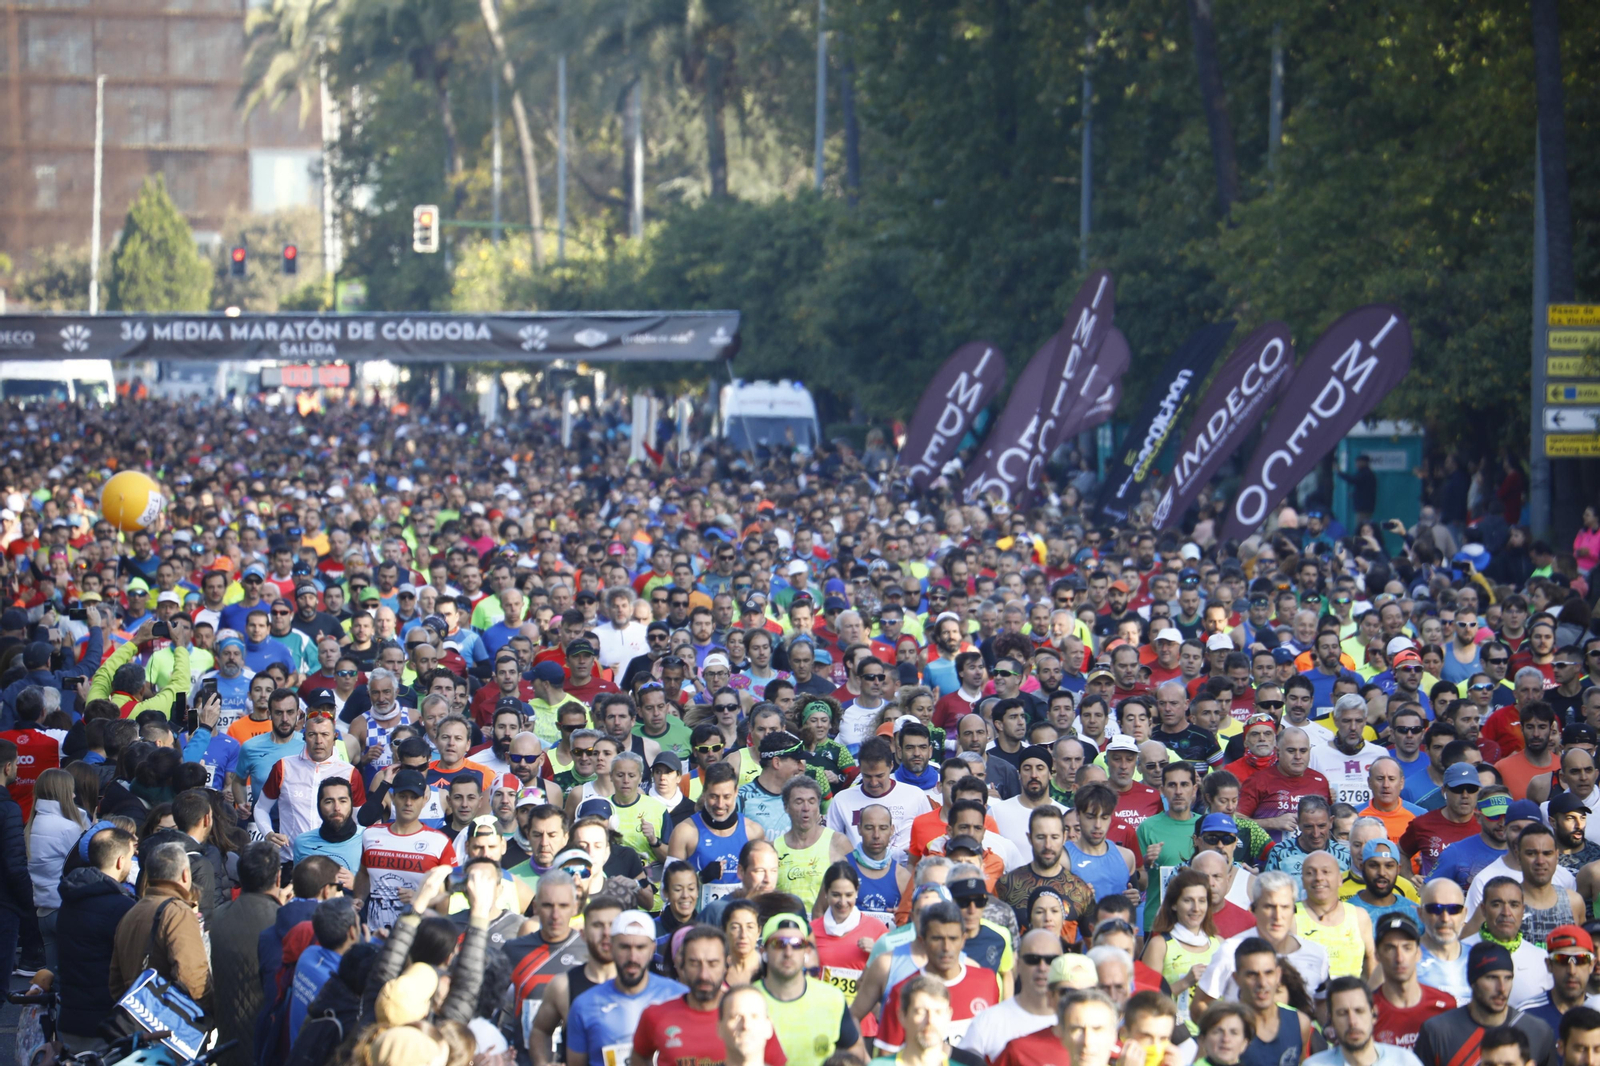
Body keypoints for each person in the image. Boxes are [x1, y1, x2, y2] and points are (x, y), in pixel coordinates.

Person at [1193, 870, 1332, 1012]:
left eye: (1285, 907)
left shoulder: (1317, 953)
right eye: (1269, 907)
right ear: (1253, 909)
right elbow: (1200, 1005)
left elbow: (1322, 1004)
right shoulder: (1230, 951)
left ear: (1293, 910)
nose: (1278, 916)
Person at [566, 909, 689, 1066]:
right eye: (624, 947)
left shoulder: (680, 996)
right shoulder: (584, 1005)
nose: (632, 957)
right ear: (611, 948)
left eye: (640, 947)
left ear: (652, 949)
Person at [55, 824, 139, 1051]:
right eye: (131, 858)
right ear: (120, 861)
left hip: (70, 1017)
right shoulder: (122, 906)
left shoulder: (70, 898)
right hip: (105, 1022)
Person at [873, 902, 995, 1055]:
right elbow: (887, 1056)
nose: (946, 947)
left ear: (963, 940)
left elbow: (995, 1044)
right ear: (922, 941)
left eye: (953, 938)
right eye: (937, 939)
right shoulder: (901, 991)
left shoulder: (987, 981)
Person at [1414, 942, 1557, 1066]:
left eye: (1508, 978)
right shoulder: (1437, 1032)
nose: (1502, 988)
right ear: (1473, 981)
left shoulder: (1539, 1031)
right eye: (1492, 978)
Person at [109, 840, 212, 1011]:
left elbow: (115, 982)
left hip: (136, 1022)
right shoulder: (178, 913)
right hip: (171, 1025)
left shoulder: (131, 913)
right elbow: (193, 979)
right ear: (186, 875)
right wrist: (208, 1013)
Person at [525, 896, 623, 1066]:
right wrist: (543, 1063)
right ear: (583, 934)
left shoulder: (644, 983)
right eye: (598, 925)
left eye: (613, 925)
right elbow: (540, 1031)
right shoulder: (563, 986)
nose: (606, 933)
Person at [210, 842, 283, 1066]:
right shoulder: (282, 922)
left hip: (227, 1041)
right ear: (278, 878)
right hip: (265, 1046)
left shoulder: (219, 916)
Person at [957, 927, 1062, 1060]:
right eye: (1032, 959)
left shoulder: (1077, 1023)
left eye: (1051, 960)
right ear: (1018, 965)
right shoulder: (988, 1022)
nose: (1042, 967)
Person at [1141, 866, 1220, 1033]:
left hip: (1214, 1036)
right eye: (1188, 900)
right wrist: (1185, 982)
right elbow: (1145, 1001)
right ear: (1174, 905)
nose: (1196, 908)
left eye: (1202, 900)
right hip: (1173, 1037)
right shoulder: (1160, 945)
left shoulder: (1219, 944)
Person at [1371, 913, 1457, 1052]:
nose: (1399, 958)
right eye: (1390, 948)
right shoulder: (1366, 1010)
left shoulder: (1445, 1005)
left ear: (1418, 953)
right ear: (1377, 955)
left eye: (1407, 948)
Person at [1307, 975, 1428, 1066]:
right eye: (1342, 1013)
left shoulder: (1404, 1061)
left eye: (1359, 1011)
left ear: (1373, 1014)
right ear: (1331, 1020)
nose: (1352, 1022)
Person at [1232, 936, 1316, 1066]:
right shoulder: (1222, 1028)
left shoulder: (1300, 1023)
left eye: (1268, 973)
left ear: (1278, 975)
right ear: (1236, 978)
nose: (1262, 983)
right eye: (1252, 975)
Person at [1523, 925, 1600, 1036]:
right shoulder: (1527, 1014)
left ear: (1591, 965)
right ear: (1549, 964)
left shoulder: (1598, 1010)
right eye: (1562, 959)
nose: (1572, 971)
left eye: (1581, 959)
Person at [1417, 878, 1471, 1004]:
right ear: (1420, 913)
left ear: (1464, 914)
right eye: (1435, 909)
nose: (1445, 918)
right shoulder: (1399, 961)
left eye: (1454, 909)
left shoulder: (1479, 960)